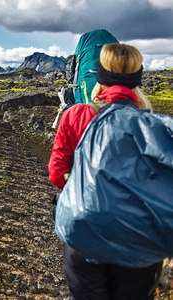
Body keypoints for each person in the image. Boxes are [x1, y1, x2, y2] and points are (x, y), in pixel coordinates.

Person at [48, 43, 161, 300]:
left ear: (99, 75)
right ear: (137, 77)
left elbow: (56, 174)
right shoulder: (153, 124)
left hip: (86, 234)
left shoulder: (75, 115)